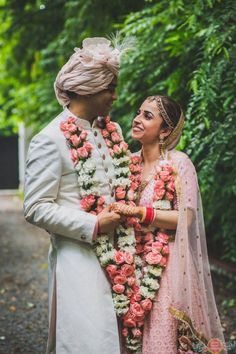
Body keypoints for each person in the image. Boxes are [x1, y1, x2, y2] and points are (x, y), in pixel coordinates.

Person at [23, 37, 130, 354]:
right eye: (109, 88)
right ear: (86, 89)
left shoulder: (114, 131)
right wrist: (93, 224)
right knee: (90, 341)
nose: (115, 96)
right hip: (77, 258)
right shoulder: (50, 139)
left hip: (122, 255)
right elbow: (36, 207)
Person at [111, 95, 226, 354]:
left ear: (166, 130)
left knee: (162, 337)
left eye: (147, 116)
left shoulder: (179, 164)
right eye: (139, 113)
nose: (137, 119)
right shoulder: (126, 164)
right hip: (129, 267)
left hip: (168, 268)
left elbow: (187, 218)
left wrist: (141, 212)